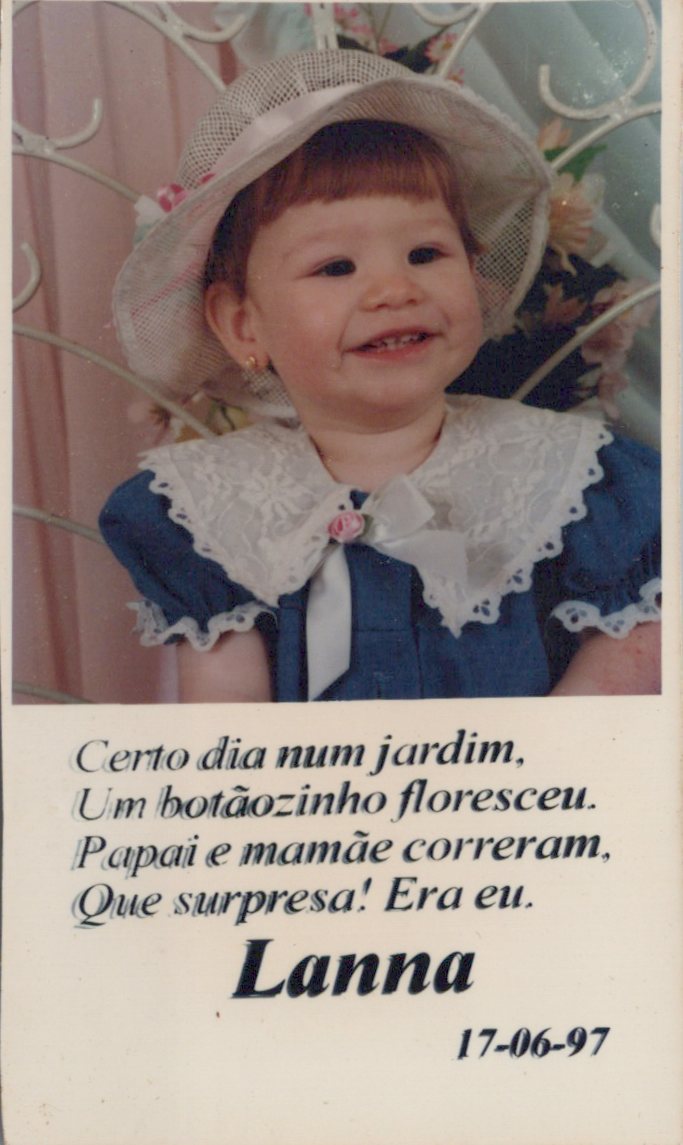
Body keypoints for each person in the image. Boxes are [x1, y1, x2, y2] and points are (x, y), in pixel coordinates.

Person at [100, 49, 661, 703]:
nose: (395, 289)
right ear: (244, 325)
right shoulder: (217, 505)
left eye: (425, 253)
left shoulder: (567, 475)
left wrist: (546, 750)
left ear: (475, 276)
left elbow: (639, 642)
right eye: (336, 267)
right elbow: (227, 724)